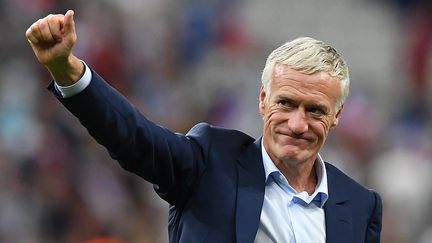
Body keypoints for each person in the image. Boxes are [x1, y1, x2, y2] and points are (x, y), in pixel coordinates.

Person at [25, 10, 382, 243]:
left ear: (337, 115)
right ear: (262, 100)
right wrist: (67, 71)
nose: (297, 123)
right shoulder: (210, 161)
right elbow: (134, 138)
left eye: (315, 110)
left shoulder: (360, 206)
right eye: (285, 103)